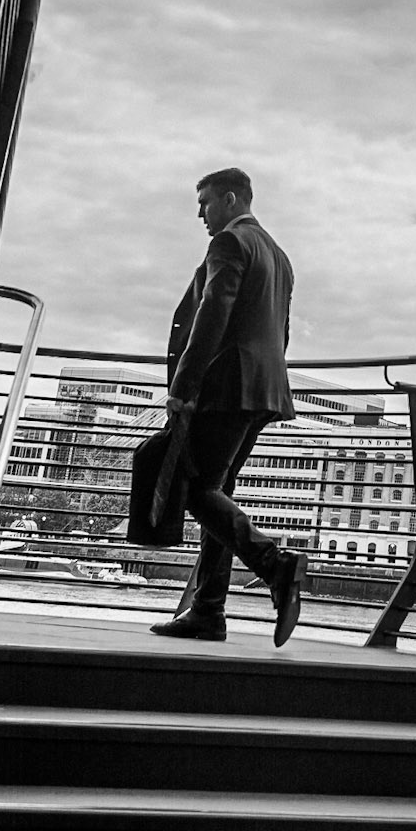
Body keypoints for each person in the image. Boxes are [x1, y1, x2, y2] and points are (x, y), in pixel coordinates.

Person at [150, 167, 305, 644]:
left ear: (231, 199)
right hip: (263, 389)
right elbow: (281, 331)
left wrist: (183, 387)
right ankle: (208, 611)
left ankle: (274, 565)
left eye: (205, 203)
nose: (201, 213)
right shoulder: (278, 255)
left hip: (227, 387)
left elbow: (212, 314)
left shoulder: (230, 242)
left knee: (197, 490)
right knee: (217, 493)